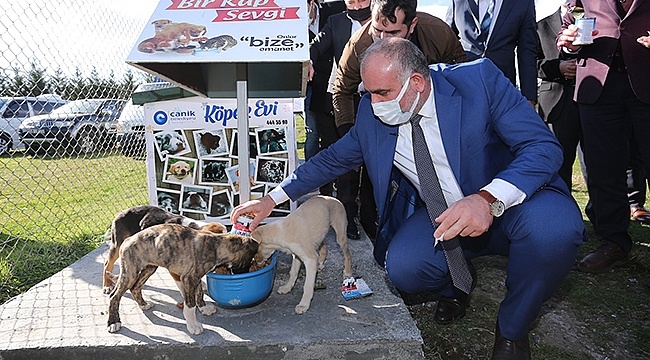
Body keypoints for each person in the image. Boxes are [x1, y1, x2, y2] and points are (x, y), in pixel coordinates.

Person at [232, 38, 585, 360]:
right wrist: (271, 200)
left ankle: (512, 332)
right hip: (441, 213)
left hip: (512, 201)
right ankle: (457, 280)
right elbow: (331, 160)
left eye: (382, 92)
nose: (372, 103)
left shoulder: (479, 81)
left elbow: (542, 148)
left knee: (554, 231)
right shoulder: (374, 115)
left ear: (417, 82)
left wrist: (487, 198)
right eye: (367, 93)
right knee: (404, 268)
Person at [330, 0, 467, 239]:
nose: (383, 39)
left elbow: (461, 71)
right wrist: (350, 133)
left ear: (412, 25)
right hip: (379, 107)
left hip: (429, 104)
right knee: (378, 168)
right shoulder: (358, 44)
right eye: (377, 30)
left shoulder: (437, 32)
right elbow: (341, 90)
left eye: (393, 32)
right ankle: (371, 220)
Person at [557, 0, 650, 274]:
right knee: (603, 168)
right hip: (598, 85)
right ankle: (614, 242)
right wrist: (569, 42)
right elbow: (567, 23)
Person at [308, 0, 373, 236]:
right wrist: (308, 60)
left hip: (373, 102)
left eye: (361, 0)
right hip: (340, 101)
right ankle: (336, 214)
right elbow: (315, 46)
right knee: (342, 158)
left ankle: (361, 214)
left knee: (366, 162)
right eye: (350, 1)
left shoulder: (384, 21)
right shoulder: (336, 22)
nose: (355, 6)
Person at [446, 0, 538, 106]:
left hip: (503, 90)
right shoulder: (457, 1)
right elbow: (446, 43)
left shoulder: (522, 3)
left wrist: (529, 98)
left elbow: (527, 50)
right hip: (463, 89)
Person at [536, 0, 581, 189]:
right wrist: (559, 68)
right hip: (555, 103)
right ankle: (562, 210)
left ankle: (600, 214)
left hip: (594, 99)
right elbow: (532, 63)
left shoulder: (598, 22)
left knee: (598, 163)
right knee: (558, 163)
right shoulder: (540, 26)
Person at [304, 0, 346, 163]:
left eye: (303, 9)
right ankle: (316, 179)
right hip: (315, 89)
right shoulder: (293, 28)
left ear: (312, 4)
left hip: (342, 85)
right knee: (314, 133)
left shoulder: (336, 10)